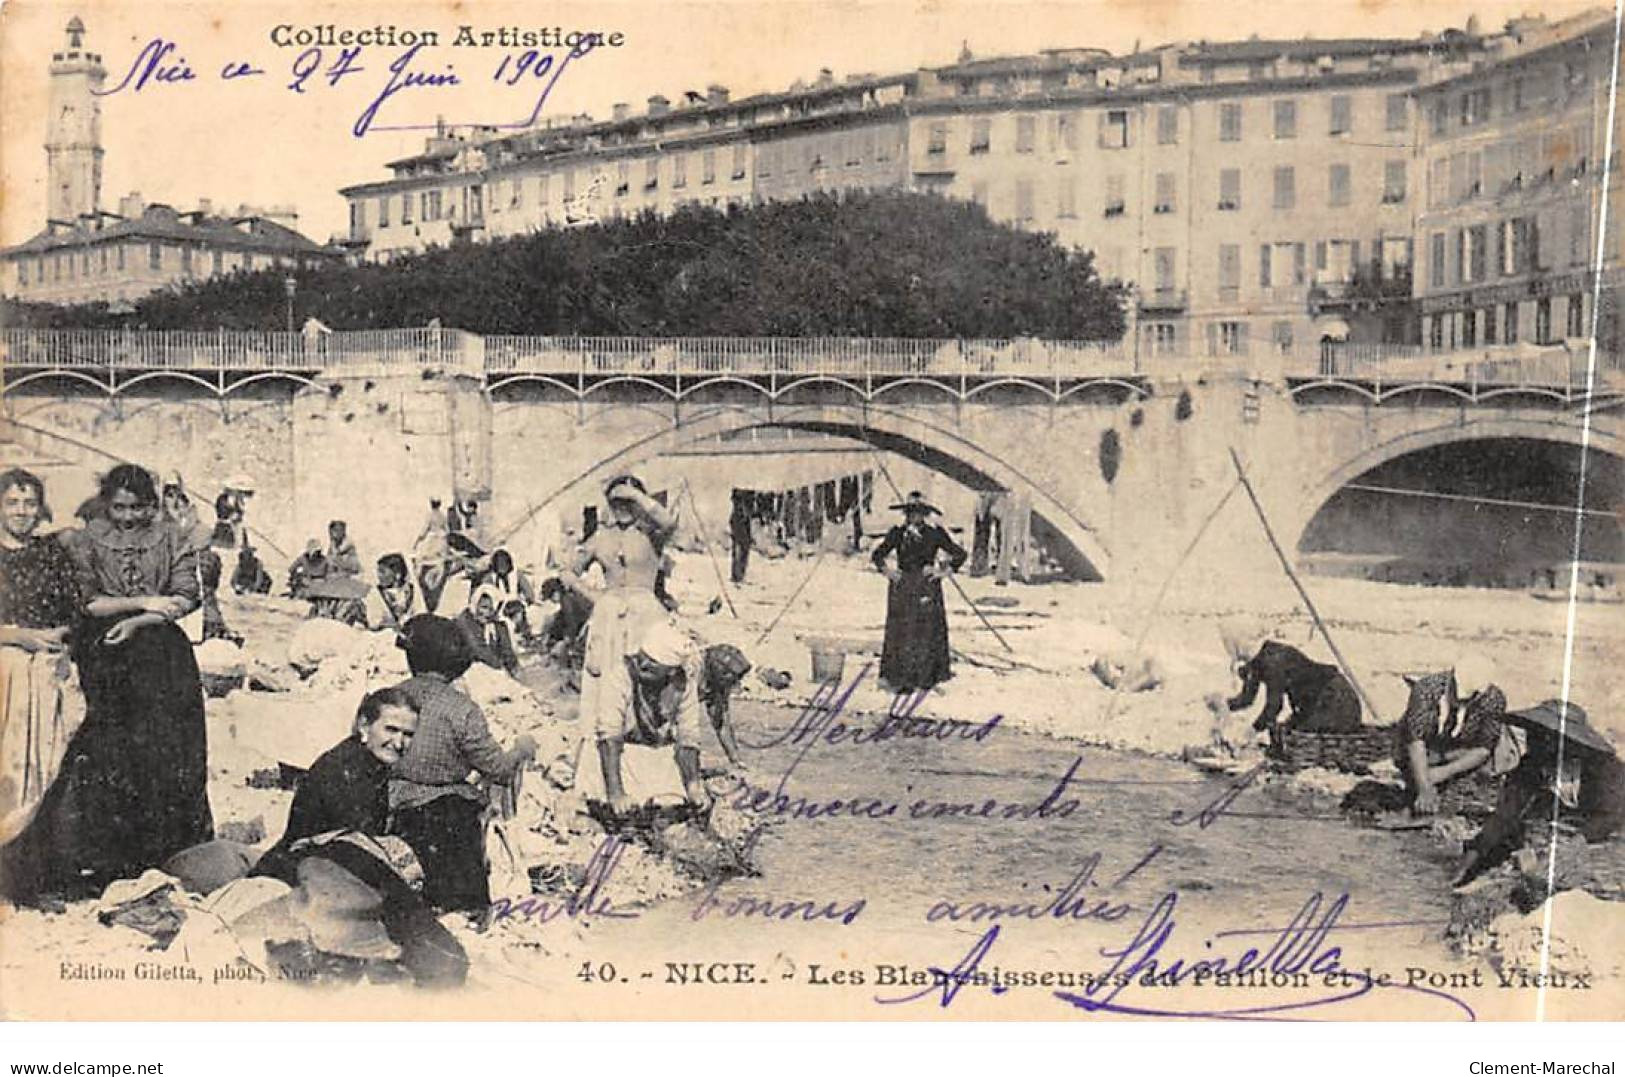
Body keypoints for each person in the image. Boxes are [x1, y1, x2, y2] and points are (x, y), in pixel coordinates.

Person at [2, 465, 213, 904]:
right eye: (119, 507)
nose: (128, 517)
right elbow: (85, 601)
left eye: (138, 508)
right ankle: (101, 858)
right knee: (109, 752)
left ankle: (168, 853)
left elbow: (185, 595)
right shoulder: (86, 540)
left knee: (168, 750)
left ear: (151, 506)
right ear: (106, 504)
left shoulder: (174, 537)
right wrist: (135, 608)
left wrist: (145, 618)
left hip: (163, 653)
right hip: (108, 653)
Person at [249, 687, 467, 986]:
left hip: (334, 863)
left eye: (408, 734)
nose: (399, 742)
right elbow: (352, 845)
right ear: (365, 725)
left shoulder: (367, 762)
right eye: (390, 729)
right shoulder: (345, 767)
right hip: (308, 868)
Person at [389, 616, 535, 913]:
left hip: (393, 805)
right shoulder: (462, 709)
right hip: (446, 817)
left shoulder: (390, 697)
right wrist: (521, 749)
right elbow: (498, 769)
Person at [0, 469, 86, 844]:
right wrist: (19, 636)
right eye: (12, 503)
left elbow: (73, 612)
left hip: (46, 656)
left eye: (29, 503)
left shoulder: (51, 553)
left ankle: (30, 839)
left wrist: (56, 637)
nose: (21, 511)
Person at [1455, 699, 1625, 887]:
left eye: (1543, 737)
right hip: (1563, 835)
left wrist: (1569, 849)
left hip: (1605, 838)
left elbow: (1610, 817)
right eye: (1532, 734)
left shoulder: (1606, 769)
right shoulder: (1530, 765)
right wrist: (1466, 864)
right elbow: (1503, 817)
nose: (1533, 742)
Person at [567, 475, 679, 742]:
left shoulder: (652, 535)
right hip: (610, 617)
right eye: (616, 501)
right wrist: (597, 597)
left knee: (652, 680)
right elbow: (568, 572)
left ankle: (649, 739)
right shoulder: (600, 538)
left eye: (628, 501)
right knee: (608, 682)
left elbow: (669, 521)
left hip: (647, 615)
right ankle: (609, 743)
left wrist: (636, 495)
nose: (622, 506)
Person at [595, 621, 711, 815]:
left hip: (658, 755)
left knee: (674, 806)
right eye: (643, 660)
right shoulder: (619, 674)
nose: (644, 667)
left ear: (670, 671)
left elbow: (688, 736)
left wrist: (693, 785)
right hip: (620, 755)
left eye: (653, 667)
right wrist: (616, 792)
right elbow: (609, 734)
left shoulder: (683, 683)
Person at [870, 491, 967, 693]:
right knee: (902, 631)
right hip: (903, 587)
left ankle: (926, 678)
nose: (914, 517)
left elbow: (959, 554)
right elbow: (878, 555)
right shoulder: (897, 533)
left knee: (926, 632)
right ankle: (900, 678)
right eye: (910, 513)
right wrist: (888, 572)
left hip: (926, 586)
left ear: (925, 515)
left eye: (919, 513)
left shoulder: (935, 534)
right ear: (906, 514)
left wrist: (942, 571)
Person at [1396, 653, 1507, 816]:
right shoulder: (1426, 690)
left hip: (1461, 751)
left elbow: (1484, 748)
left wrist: (1443, 772)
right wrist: (1424, 786)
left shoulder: (1493, 699)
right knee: (1412, 771)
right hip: (1428, 746)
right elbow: (1416, 740)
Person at [1226, 638, 1362, 752]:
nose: (1243, 675)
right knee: (1287, 733)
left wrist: (1252, 731)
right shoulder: (1255, 663)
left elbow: (1274, 706)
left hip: (1335, 700)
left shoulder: (1274, 660)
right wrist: (1222, 706)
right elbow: (1247, 699)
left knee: (1301, 737)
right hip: (1312, 703)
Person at [700, 643, 752, 768]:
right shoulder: (690, 674)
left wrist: (736, 760)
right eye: (734, 679)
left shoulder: (717, 681)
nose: (737, 684)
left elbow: (721, 723)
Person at [456, 584, 521, 677]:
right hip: (467, 670)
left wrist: (514, 669)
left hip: (491, 670)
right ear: (475, 604)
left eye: (491, 609)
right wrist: (499, 667)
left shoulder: (497, 624)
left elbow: (507, 651)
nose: (487, 613)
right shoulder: (465, 620)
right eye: (484, 607)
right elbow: (478, 649)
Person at [480, 548, 536, 642]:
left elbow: (529, 594)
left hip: (516, 606)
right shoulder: (489, 578)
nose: (502, 568)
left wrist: (525, 601)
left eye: (504, 565)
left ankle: (525, 637)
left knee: (519, 615)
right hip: (498, 609)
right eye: (500, 565)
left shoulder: (517, 575)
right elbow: (484, 595)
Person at [364, 553, 424, 634]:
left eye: (383, 572)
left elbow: (420, 613)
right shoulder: (375, 594)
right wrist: (390, 625)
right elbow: (373, 622)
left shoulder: (411, 591)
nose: (378, 576)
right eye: (378, 572)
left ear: (397, 575)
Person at [728, 490, 753, 584]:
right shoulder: (739, 510)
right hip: (740, 521)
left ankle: (738, 574)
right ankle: (737, 575)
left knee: (741, 548)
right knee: (740, 548)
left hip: (741, 521)